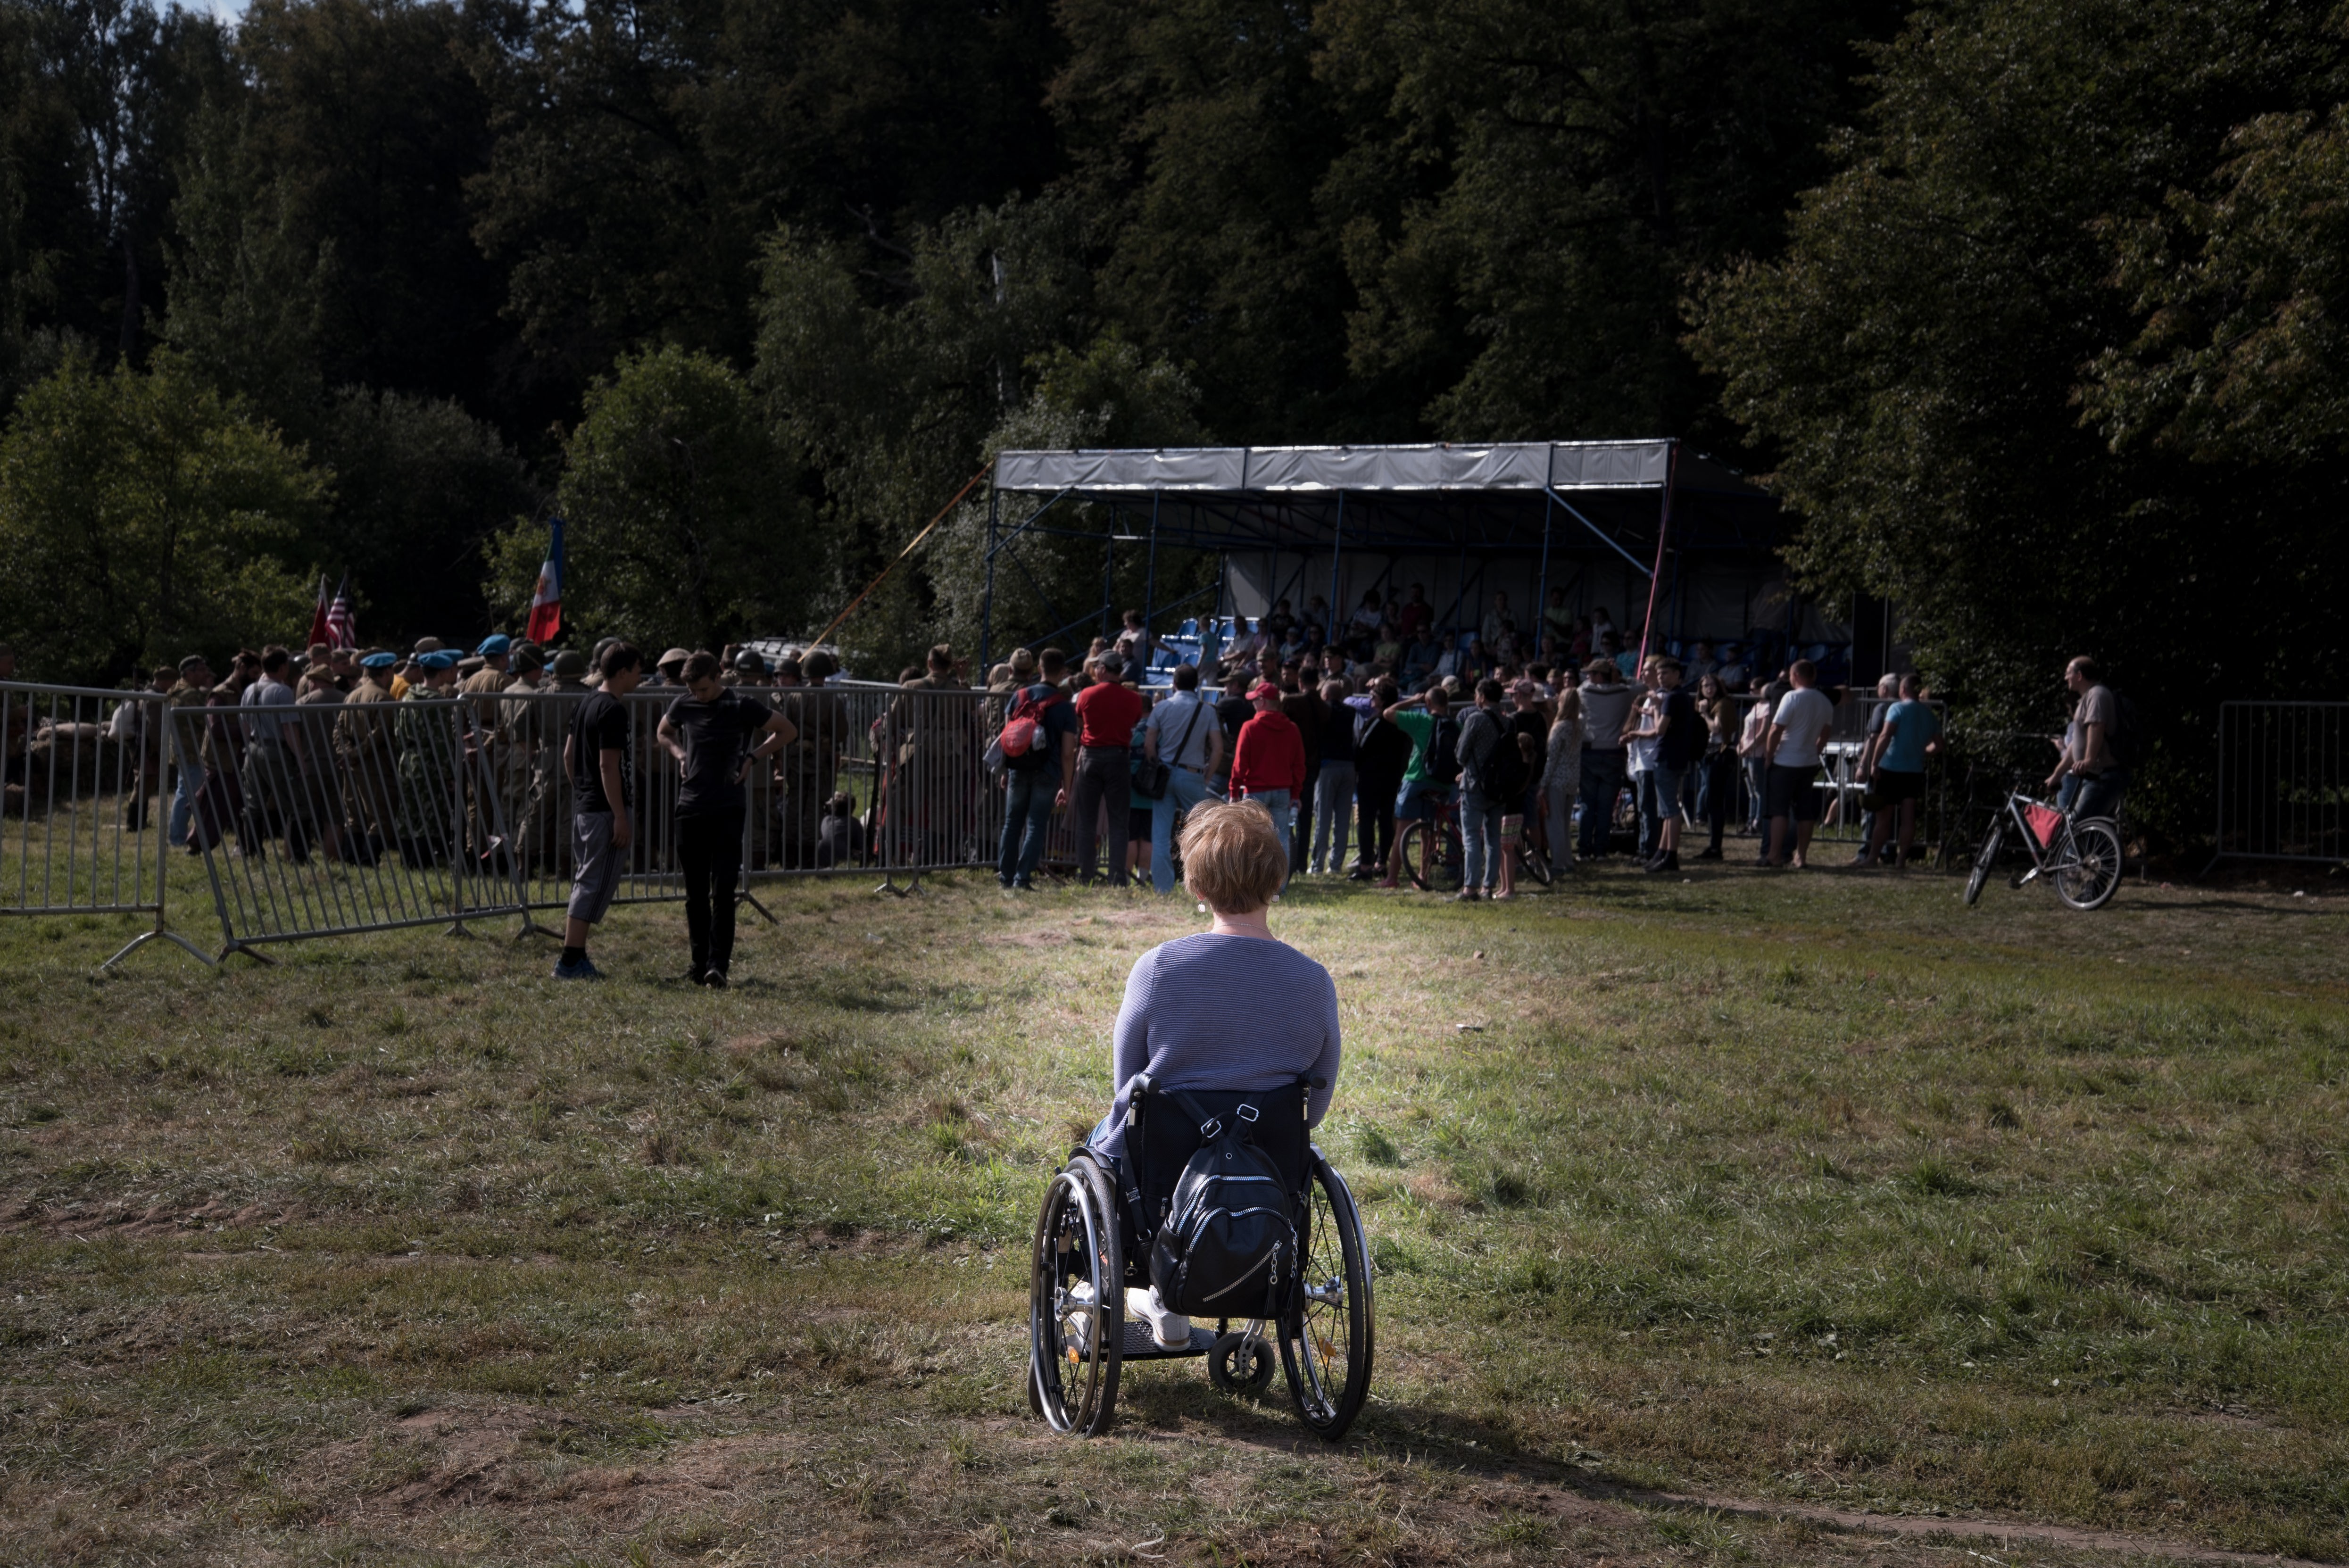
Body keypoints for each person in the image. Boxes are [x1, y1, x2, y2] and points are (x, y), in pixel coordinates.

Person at [1081, 799, 1342, 1347]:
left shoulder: (1159, 968)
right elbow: (1313, 1109)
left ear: (1197, 887)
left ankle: (1120, 1287)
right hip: (1267, 1165)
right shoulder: (1314, 982)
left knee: (1096, 1151)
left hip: (1161, 1168)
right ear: (1276, 882)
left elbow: (1125, 1085)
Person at [657, 650, 795, 987]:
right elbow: (664, 732)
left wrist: (752, 757)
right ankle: (697, 962)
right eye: (693, 690)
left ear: (718, 677)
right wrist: (680, 754)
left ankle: (718, 965)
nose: (698, 696)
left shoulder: (742, 705)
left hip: (727, 807)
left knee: (723, 888)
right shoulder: (684, 704)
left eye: (703, 689)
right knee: (694, 892)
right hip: (689, 806)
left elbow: (785, 730)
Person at [557, 642, 643, 979]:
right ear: (622, 672)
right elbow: (609, 766)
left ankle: (574, 956)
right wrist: (619, 815)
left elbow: (568, 756)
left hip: (586, 806)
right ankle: (570, 960)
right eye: (637, 670)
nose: (640, 677)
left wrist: (583, 791)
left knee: (586, 880)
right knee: (592, 883)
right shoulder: (612, 709)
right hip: (604, 812)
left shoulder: (585, 703)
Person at [997, 647, 1079, 890]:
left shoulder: (1019, 696)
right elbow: (1067, 752)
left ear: (1039, 668)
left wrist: (1004, 770)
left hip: (1017, 768)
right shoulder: (1065, 707)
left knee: (1012, 823)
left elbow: (1006, 739)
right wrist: (1066, 785)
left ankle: (1005, 877)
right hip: (1048, 772)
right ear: (1063, 672)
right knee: (1035, 825)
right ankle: (1023, 879)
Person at [1144, 662, 1223, 896]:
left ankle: (1163, 889)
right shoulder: (1207, 710)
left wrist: (1157, 766)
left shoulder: (1161, 707)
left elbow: (1149, 744)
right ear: (1197, 685)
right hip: (1193, 774)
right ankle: (1205, 885)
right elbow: (1217, 749)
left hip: (1165, 774)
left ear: (1174, 684)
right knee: (1203, 832)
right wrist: (1206, 777)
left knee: (1159, 834)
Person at [1228, 680, 1304, 890]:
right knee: (1281, 840)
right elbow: (1299, 766)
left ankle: (1251, 885)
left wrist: (1234, 791)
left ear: (1262, 702)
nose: (1253, 704)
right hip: (1283, 792)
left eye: (1255, 700)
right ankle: (1280, 887)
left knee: (1250, 840)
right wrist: (1295, 794)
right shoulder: (1292, 729)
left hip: (1255, 793)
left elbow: (1240, 764)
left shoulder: (1250, 727)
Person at [1379, 684, 1457, 888]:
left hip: (1416, 779)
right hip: (1442, 784)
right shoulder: (1456, 726)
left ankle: (1392, 879)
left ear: (1428, 703)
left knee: (1403, 831)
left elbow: (1389, 713)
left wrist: (1414, 700)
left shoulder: (1423, 721)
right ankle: (1423, 877)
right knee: (1430, 830)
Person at [1627, 657, 1699, 873]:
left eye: (1665, 673)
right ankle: (1663, 852)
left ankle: (1670, 855)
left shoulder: (1670, 698)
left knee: (1669, 810)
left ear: (1677, 675)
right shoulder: (1683, 697)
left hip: (1667, 755)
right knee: (1667, 809)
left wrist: (1657, 708)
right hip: (1676, 756)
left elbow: (1660, 729)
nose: (1661, 677)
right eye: (1659, 674)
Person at [1860, 672, 1940, 867]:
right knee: (1908, 818)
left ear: (1903, 690)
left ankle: (1872, 858)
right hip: (1914, 771)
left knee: (1883, 819)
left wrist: (1874, 763)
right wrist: (1924, 753)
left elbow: (1885, 735)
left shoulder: (1897, 708)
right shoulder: (1928, 714)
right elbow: (1939, 745)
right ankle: (1901, 860)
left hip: (1891, 768)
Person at [1764, 658, 1836, 869]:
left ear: (1795, 676)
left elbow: (1776, 729)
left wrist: (1769, 755)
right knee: (1805, 811)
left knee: (1780, 810)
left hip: (1786, 760)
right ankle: (1801, 856)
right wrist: (1815, 752)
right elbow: (1825, 734)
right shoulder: (1824, 701)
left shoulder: (1791, 697)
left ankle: (1774, 855)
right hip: (1808, 761)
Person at [1577, 658, 1639, 859]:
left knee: (1588, 804)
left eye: (1591, 674)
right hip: (1614, 752)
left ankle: (1585, 849)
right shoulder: (1624, 692)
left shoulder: (1585, 691)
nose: (1587, 677)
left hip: (1590, 752)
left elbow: (1583, 685)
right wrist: (1620, 678)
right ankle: (1601, 850)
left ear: (1598, 676)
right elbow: (1642, 686)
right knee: (1606, 806)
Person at [1452, 678, 1508, 902]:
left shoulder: (1475, 719)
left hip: (1475, 785)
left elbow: (1460, 753)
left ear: (1482, 696)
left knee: (1472, 838)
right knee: (1494, 838)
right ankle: (1488, 887)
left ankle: (1470, 888)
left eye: (1477, 694)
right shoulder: (1508, 721)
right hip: (1499, 787)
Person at [2056, 656, 2129, 823]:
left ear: (2079, 676)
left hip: (2103, 776)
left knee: (2075, 826)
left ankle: (2070, 851)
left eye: (2068, 673)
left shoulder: (2097, 694)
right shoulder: (2086, 699)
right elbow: (2076, 743)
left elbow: (2097, 726)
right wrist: (2057, 775)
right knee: (2096, 833)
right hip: (2097, 775)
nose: (2066, 678)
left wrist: (2088, 761)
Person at [163, 654, 215, 848]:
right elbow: (207, 720)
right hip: (191, 752)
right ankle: (177, 838)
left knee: (184, 793)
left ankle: (178, 836)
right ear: (190, 673)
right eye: (201, 670)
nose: (206, 674)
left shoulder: (178, 690)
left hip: (183, 750)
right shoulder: (190, 695)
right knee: (187, 796)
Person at [1308, 676, 1357, 875]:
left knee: (1323, 818)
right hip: (1349, 766)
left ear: (1325, 696)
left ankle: (1318, 865)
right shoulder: (1352, 712)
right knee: (1343, 818)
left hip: (1328, 767)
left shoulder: (1322, 711)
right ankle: (1335, 865)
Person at [1279, 665, 1325, 872]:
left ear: (1300, 682)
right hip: (1314, 765)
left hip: (1292, 766)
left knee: (1283, 814)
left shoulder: (1292, 702)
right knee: (1305, 817)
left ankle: (1287, 862)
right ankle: (1301, 863)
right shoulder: (1326, 706)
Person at [1538, 679, 1583, 878]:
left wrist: (1543, 784)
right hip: (1572, 779)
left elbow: (1552, 759)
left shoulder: (1560, 727)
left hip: (1557, 779)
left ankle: (1558, 863)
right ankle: (1567, 860)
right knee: (1564, 823)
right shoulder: (1579, 724)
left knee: (1554, 823)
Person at [1692, 672, 1738, 861]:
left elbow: (1716, 728)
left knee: (1714, 801)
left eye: (1712, 685)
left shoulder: (1723, 704)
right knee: (1711, 801)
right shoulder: (1706, 705)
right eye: (1705, 686)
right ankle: (1713, 846)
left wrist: (1704, 714)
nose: (1709, 689)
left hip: (1720, 754)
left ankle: (1715, 847)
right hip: (1707, 755)